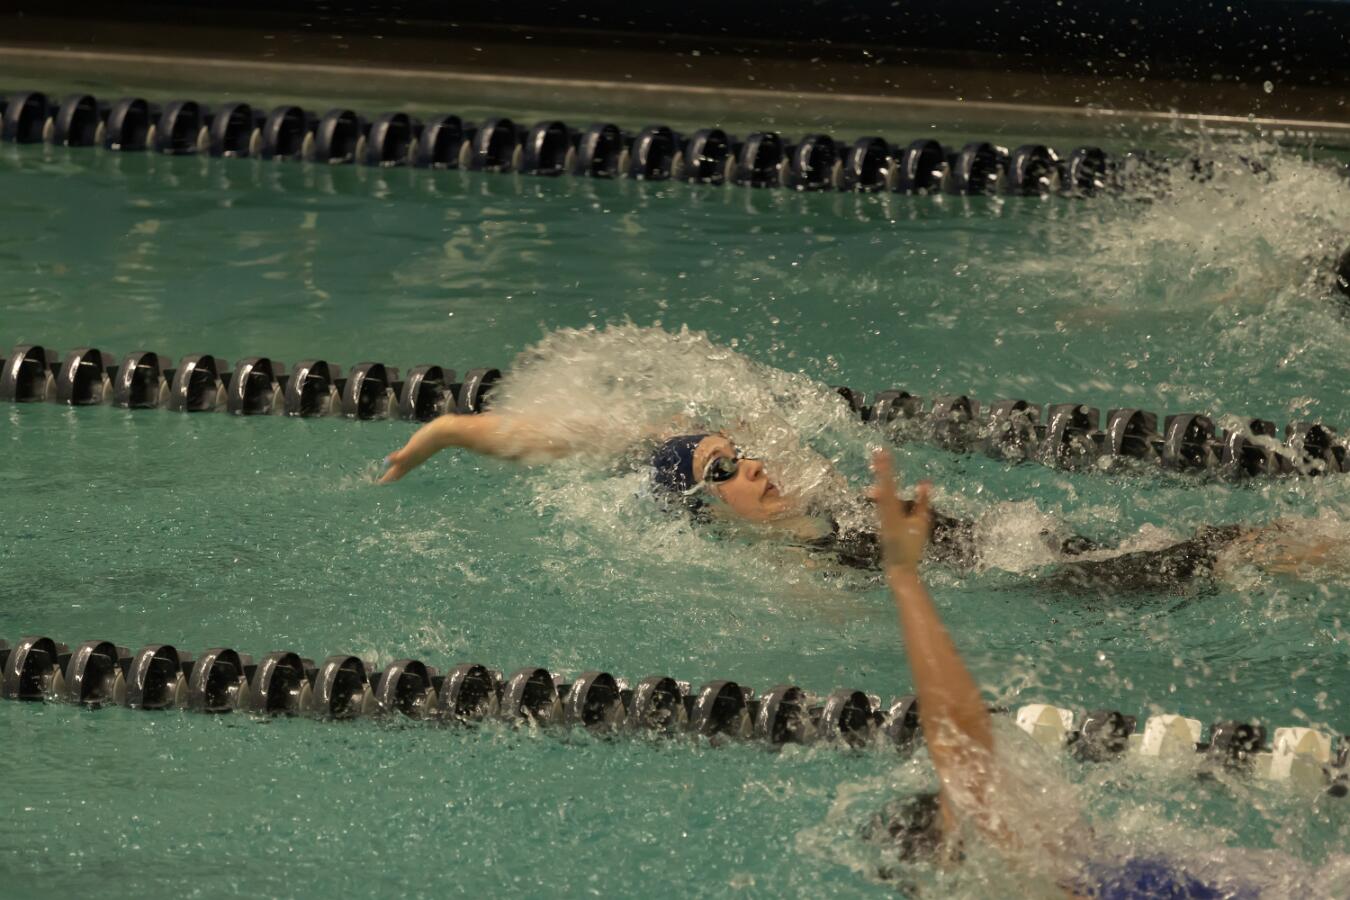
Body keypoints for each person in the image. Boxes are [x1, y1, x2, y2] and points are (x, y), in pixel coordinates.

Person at [868, 448, 1270, 898]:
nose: (1022, 796)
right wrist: (904, 577)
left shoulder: (1078, 869)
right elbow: (959, 738)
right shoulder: (1049, 880)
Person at [380, 412, 1323, 595]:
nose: (752, 466)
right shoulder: (796, 568)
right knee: (1235, 549)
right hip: (1043, 580)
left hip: (1033, 545)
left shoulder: (819, 514)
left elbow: (580, 435)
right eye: (725, 471)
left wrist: (451, 428)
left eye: (740, 454)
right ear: (701, 509)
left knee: (1236, 546)